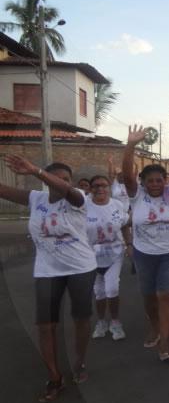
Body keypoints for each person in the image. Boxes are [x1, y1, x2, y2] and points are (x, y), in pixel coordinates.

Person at [0, 155, 97, 401]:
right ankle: (55, 376)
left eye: (65, 179)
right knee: (45, 326)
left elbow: (67, 191)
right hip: (47, 270)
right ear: (46, 183)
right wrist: (37, 173)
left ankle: (80, 360)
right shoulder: (37, 199)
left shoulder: (78, 199)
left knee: (81, 319)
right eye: (56, 178)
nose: (60, 182)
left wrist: (35, 170)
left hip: (80, 268)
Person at [122, 117, 169, 362]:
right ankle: (153, 324)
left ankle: (165, 341)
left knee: (167, 295)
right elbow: (126, 175)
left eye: (159, 180)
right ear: (143, 183)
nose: (155, 184)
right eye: (150, 181)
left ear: (165, 181)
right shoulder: (136, 196)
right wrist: (130, 145)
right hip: (144, 254)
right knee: (149, 296)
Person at [86, 175, 130, 341]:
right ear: (90, 189)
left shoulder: (117, 205)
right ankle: (101, 322)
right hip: (91, 256)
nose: (100, 189)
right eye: (96, 186)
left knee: (111, 288)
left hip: (114, 253)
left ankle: (115, 322)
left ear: (109, 188)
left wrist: (129, 244)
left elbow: (125, 224)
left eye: (104, 185)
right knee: (98, 292)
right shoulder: (83, 205)